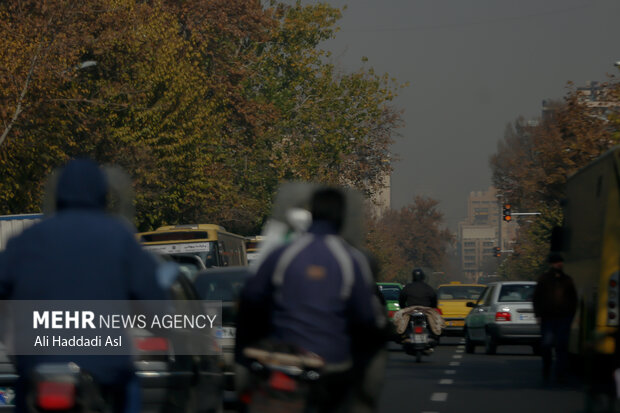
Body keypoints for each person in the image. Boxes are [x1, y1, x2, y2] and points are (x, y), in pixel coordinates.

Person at [0, 158, 168, 413]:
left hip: (37, 368)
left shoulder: (25, 240)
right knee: (130, 385)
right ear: (102, 193)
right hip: (105, 372)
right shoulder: (120, 238)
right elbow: (154, 303)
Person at [236, 187, 386, 412]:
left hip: (281, 358)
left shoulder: (283, 253)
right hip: (333, 365)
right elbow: (366, 318)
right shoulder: (351, 260)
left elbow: (251, 298)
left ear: (313, 212)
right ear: (342, 217)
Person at [532, 253, 578, 382]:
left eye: (561, 262)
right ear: (551, 264)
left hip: (564, 318)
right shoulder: (544, 279)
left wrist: (571, 315)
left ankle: (560, 373)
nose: (560, 264)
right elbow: (537, 298)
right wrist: (538, 315)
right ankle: (546, 367)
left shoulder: (567, 280)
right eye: (557, 262)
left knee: (561, 346)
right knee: (546, 345)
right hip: (548, 318)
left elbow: (573, 298)